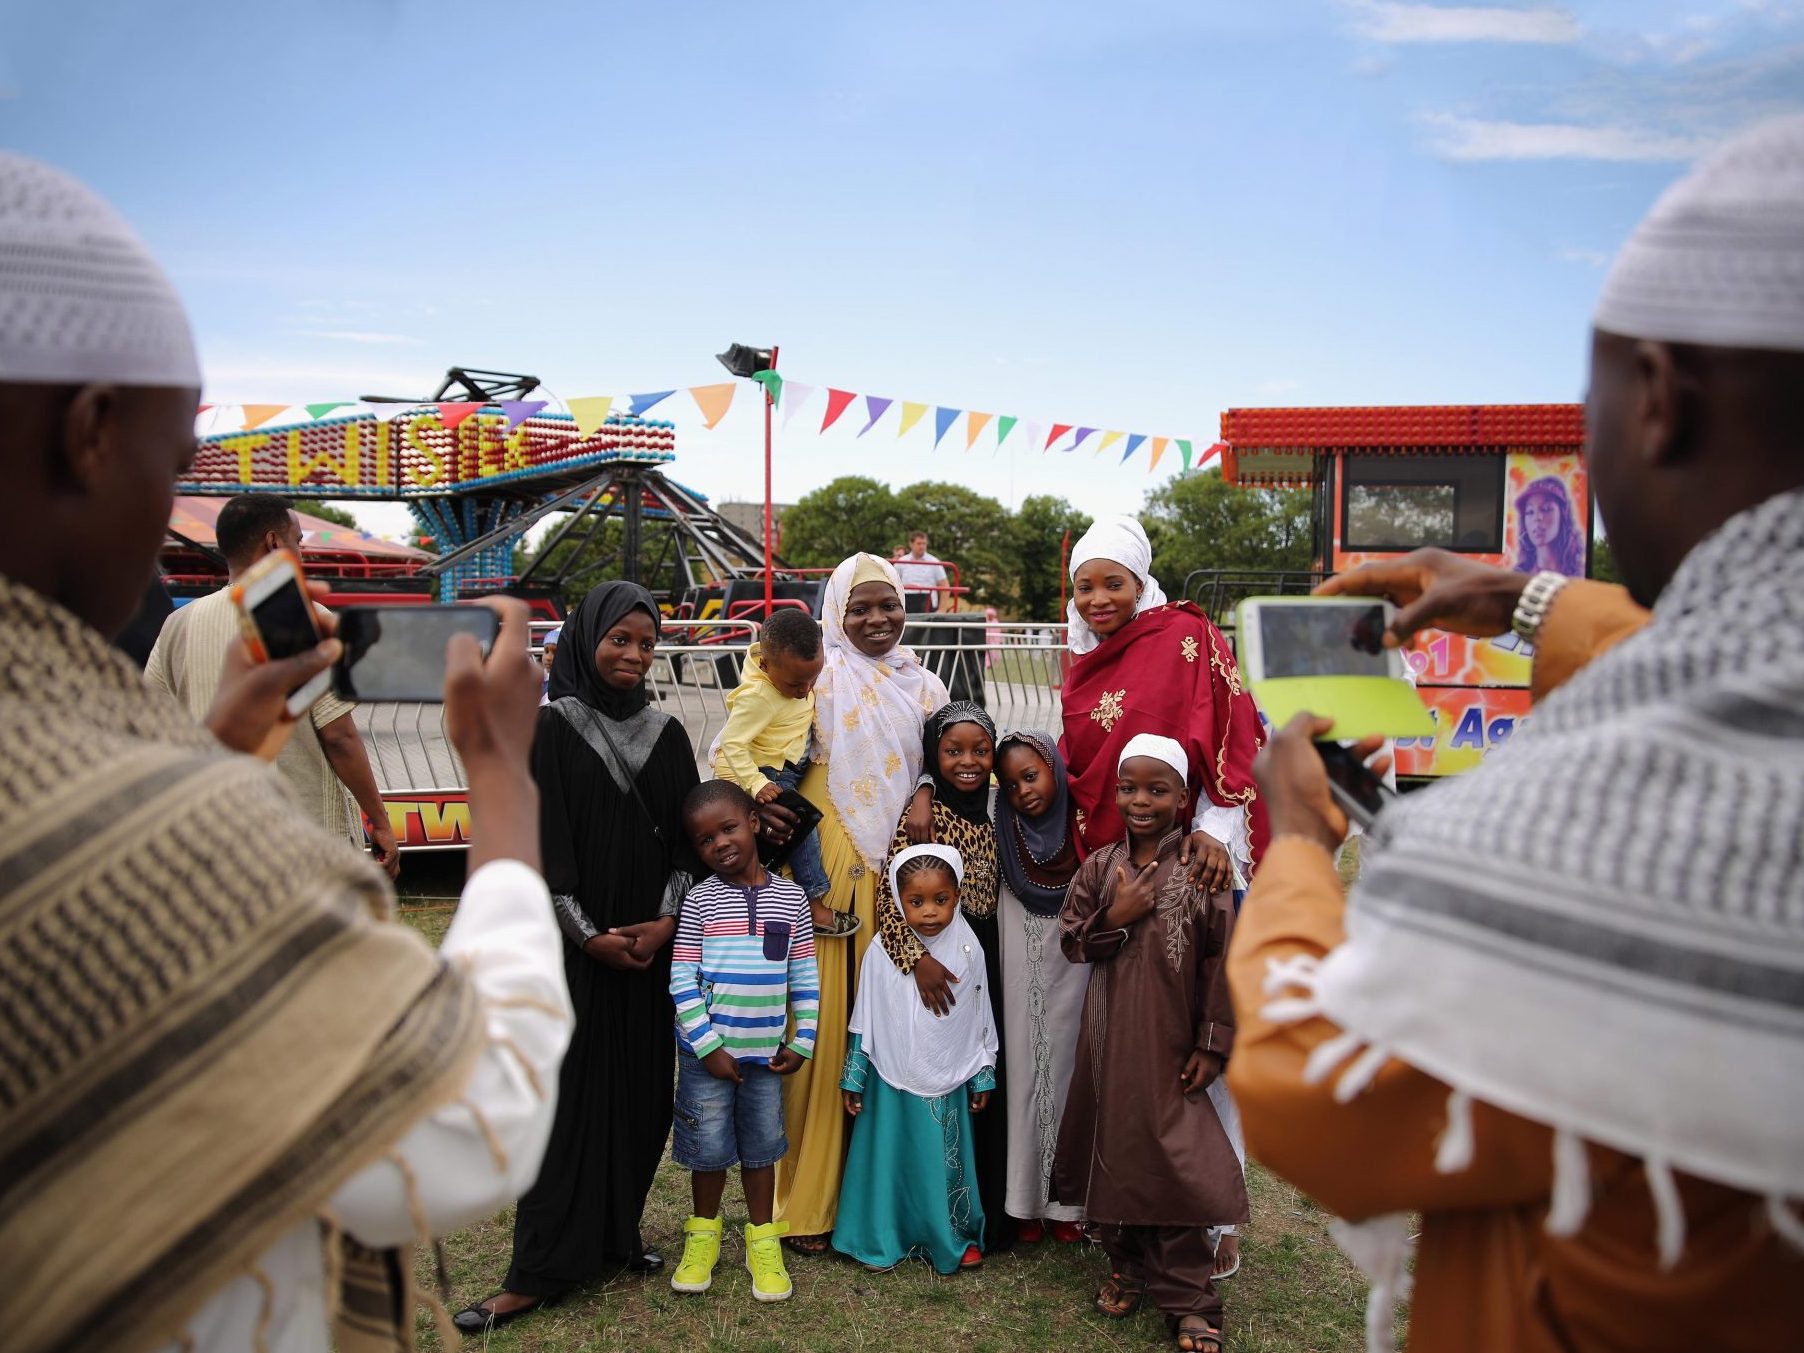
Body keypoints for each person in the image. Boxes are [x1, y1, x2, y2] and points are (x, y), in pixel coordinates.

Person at [1228, 113, 1804, 1353]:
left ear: (1657, 398)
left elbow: (1312, 1092)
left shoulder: (1582, 835)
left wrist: (1293, 848)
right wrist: (1519, 593)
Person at [0, 151, 572, 1353]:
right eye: (174, 461)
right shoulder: (125, 824)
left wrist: (217, 747)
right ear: (92, 434)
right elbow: (471, 1122)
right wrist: (501, 777)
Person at [457, 580, 701, 1333]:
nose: (632, 654)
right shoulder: (551, 728)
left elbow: (689, 838)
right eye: (618, 638)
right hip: (576, 949)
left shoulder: (668, 733)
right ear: (584, 639)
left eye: (646, 642)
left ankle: (614, 1237)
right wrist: (586, 931)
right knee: (564, 1105)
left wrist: (663, 922)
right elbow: (541, 841)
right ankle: (537, 1269)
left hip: (649, 951)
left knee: (639, 1098)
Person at [1058, 513, 1265, 1279]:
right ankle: (1130, 1210)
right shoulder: (1082, 659)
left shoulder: (1189, 638)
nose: (1098, 598)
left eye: (1113, 581)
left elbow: (1232, 728)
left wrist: (1212, 829)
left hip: (1197, 868)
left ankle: (1214, 1218)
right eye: (1085, 585)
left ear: (1142, 581)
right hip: (1119, 878)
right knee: (1133, 1052)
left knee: (1204, 1043)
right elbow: (1089, 765)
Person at [772, 553, 948, 1254]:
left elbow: (940, 761)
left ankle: (884, 1198)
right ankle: (807, 1202)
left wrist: (930, 786)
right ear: (834, 611)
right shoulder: (814, 681)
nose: (876, 620)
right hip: (830, 871)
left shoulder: (925, 683)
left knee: (889, 1035)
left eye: (888, 605)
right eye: (859, 608)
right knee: (820, 1037)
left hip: (899, 875)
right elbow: (768, 770)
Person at [1053, 735, 1244, 1353]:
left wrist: (1213, 1043)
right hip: (1109, 1041)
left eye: (1157, 789)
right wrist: (1116, 914)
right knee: (1115, 1146)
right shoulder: (1099, 868)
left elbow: (1221, 961)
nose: (1141, 800)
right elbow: (1073, 942)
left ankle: (1189, 1298)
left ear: (1183, 798)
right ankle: (1127, 1263)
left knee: (1176, 1163)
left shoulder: (1201, 868)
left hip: (1170, 1043)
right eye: (1129, 787)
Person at [146, 491, 401, 876]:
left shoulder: (178, 624)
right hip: (298, 837)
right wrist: (379, 821)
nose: (302, 554)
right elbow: (338, 736)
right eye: (297, 542)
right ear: (273, 542)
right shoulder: (302, 615)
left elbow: (154, 725)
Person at [667, 780, 819, 1304]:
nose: (720, 844)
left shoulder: (792, 898)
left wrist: (803, 1042)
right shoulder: (699, 900)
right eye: (706, 840)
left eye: (729, 828)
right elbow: (682, 978)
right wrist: (707, 1046)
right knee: (708, 1153)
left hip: (765, 1056)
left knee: (760, 1150)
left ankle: (763, 1244)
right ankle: (702, 1239)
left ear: (754, 822)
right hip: (708, 1056)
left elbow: (804, 977)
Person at [878, 701, 1014, 1252]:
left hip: (984, 965)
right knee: (933, 1085)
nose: (969, 761)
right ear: (934, 754)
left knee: (980, 1082)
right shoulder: (923, 818)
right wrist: (918, 961)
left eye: (980, 750)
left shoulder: (1001, 808)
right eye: (952, 751)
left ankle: (981, 1212)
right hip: (934, 966)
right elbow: (890, 901)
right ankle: (928, 1212)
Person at [835, 844, 998, 1273]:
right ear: (897, 899)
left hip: (948, 1075)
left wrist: (982, 1073)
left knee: (942, 1163)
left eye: (941, 900)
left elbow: (981, 1014)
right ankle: (880, 1237)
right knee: (891, 1157)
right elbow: (865, 1016)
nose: (929, 912)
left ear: (958, 895)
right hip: (889, 1078)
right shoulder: (881, 951)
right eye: (916, 901)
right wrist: (854, 1077)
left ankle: (951, 1238)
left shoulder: (969, 950)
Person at [993, 730, 1089, 1244]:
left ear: (1054, 767)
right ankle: (1026, 1202)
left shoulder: (1084, 830)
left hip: (1074, 973)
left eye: (1031, 775)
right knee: (1026, 1076)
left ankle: (1068, 1206)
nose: (1023, 792)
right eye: (1009, 785)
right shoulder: (1002, 830)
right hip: (1020, 976)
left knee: (1072, 1072)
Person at [709, 607, 844, 936]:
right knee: (801, 828)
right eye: (797, 683)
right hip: (769, 770)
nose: (806, 689)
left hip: (792, 762)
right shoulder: (758, 697)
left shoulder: (793, 676)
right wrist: (756, 784)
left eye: (813, 678)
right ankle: (814, 901)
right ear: (766, 666)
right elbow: (732, 743)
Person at [1510, 477, 1586, 577]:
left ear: (1563, 515)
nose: (1537, 518)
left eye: (1546, 509)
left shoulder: (1580, 574)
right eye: (1530, 512)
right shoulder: (1518, 575)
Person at [892, 529, 950, 611]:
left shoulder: (934, 562)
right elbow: (892, 584)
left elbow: (945, 586)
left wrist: (942, 610)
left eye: (924, 543)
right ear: (911, 544)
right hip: (906, 604)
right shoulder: (901, 562)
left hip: (928, 606)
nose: (922, 546)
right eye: (919, 543)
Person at [538, 624, 560, 704]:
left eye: (554, 652)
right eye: (546, 651)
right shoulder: (539, 679)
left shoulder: (565, 683)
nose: (548, 658)